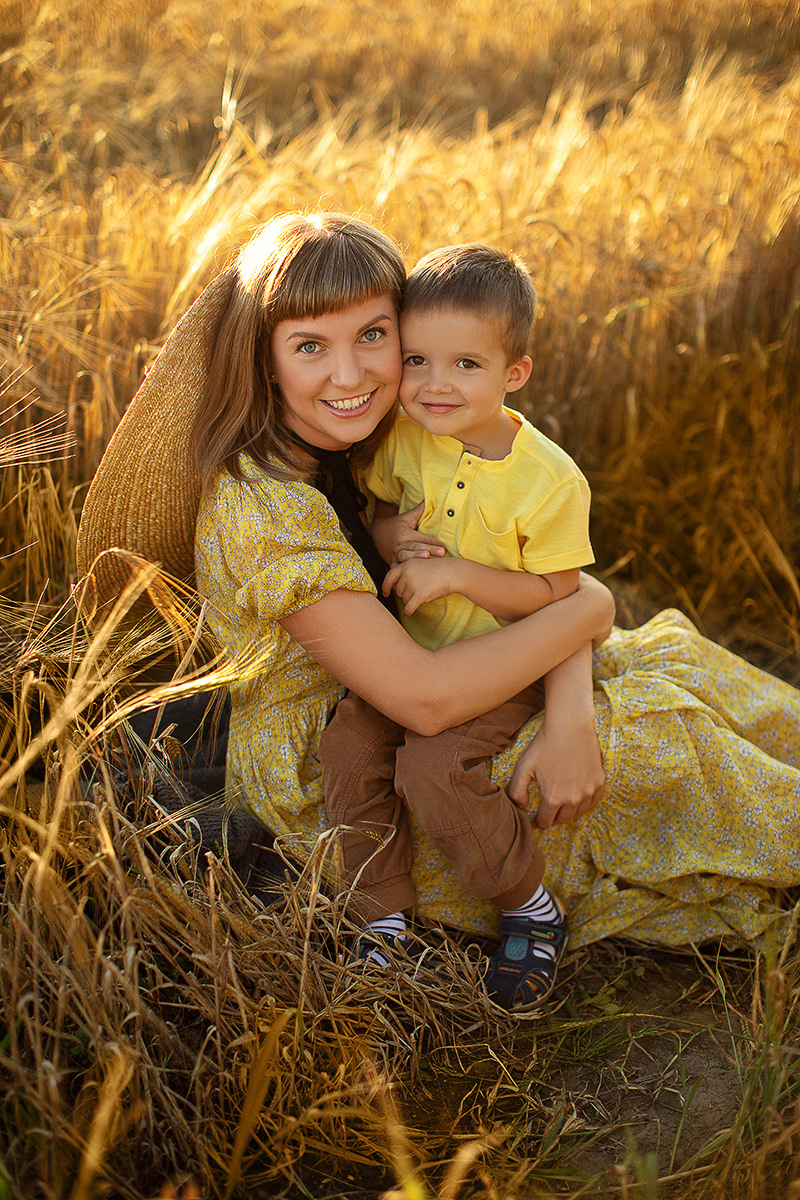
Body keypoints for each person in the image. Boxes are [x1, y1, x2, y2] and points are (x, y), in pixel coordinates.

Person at [75, 211, 800, 1014]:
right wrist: (587, 609)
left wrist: (570, 717)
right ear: (265, 360)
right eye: (310, 345)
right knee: (659, 759)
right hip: (346, 761)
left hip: (450, 668)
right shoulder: (265, 513)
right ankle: (423, 918)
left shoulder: (377, 440)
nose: (350, 374)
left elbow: (540, 587)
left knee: (671, 693)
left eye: (375, 336)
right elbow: (434, 690)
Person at [319, 244, 595, 1009]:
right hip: (413, 652)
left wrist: (461, 576)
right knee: (347, 742)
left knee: (432, 769)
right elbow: (375, 517)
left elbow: (560, 596)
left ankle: (528, 905)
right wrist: (389, 543)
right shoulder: (405, 438)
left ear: (515, 375)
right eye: (417, 361)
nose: (436, 385)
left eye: (466, 366)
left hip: (502, 662)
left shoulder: (548, 480)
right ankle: (382, 918)